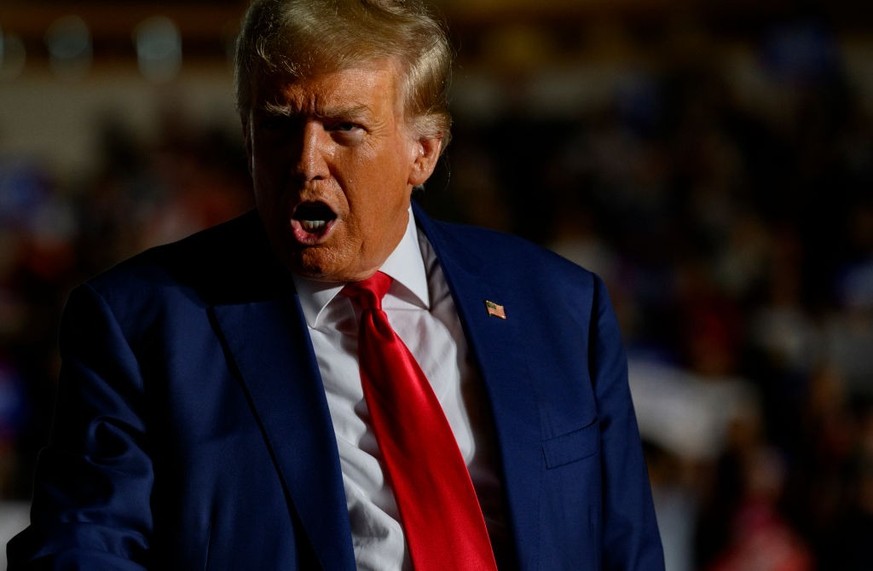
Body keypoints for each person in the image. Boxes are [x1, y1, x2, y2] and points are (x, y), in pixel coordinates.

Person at [7, 0, 664, 568]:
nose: (305, 162)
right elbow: (83, 542)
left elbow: (625, 547)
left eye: (343, 128)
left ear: (422, 151)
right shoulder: (140, 321)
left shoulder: (559, 306)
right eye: (278, 124)